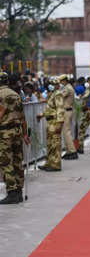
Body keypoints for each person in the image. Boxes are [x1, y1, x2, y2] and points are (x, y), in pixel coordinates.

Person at [0, 72, 30, 204]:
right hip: (17, 132)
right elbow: (23, 117)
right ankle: (18, 191)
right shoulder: (16, 94)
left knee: (7, 162)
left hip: (4, 133)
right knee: (18, 161)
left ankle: (11, 192)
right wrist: (24, 134)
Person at [37, 78, 64, 171]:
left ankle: (55, 164)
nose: (50, 85)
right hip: (50, 121)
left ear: (57, 85)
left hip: (55, 121)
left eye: (52, 83)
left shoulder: (58, 94)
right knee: (50, 143)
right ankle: (49, 162)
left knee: (55, 143)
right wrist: (42, 115)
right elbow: (50, 108)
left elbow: (60, 109)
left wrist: (60, 123)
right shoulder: (52, 94)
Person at [59, 74, 78, 160]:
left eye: (61, 81)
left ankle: (72, 151)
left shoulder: (67, 88)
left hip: (67, 111)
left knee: (66, 132)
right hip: (68, 110)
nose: (60, 83)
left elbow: (59, 97)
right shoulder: (68, 87)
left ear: (65, 80)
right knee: (67, 132)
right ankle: (69, 150)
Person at [78, 77, 90, 154]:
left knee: (82, 130)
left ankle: (81, 147)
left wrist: (81, 96)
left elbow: (85, 97)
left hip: (87, 112)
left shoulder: (89, 90)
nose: (89, 82)